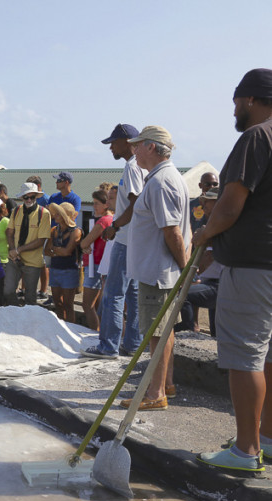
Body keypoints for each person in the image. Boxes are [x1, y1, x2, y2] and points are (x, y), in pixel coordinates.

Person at [194, 68, 272, 472]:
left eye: (237, 100)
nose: (235, 108)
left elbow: (230, 204)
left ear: (253, 100)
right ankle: (267, 438)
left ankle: (246, 451)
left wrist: (205, 233)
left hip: (253, 266)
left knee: (244, 356)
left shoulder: (257, 136)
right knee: (268, 354)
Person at [121, 125, 190, 411]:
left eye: (138, 145)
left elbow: (171, 231)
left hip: (157, 271)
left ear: (152, 147)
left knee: (155, 333)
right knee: (164, 330)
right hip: (160, 270)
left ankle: (155, 392)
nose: (133, 150)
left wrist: (185, 269)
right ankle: (166, 384)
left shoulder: (161, 182)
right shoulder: (164, 178)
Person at [82, 123, 145, 359]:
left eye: (113, 143)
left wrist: (115, 227)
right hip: (137, 241)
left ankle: (108, 345)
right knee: (133, 295)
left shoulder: (132, 166)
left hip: (126, 238)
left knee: (113, 294)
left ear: (127, 142)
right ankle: (132, 344)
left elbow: (135, 203)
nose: (110, 148)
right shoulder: (144, 166)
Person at [175, 187, 221, 335]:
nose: (204, 205)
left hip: (222, 284)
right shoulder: (210, 225)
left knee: (184, 294)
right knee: (216, 330)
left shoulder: (221, 225)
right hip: (212, 280)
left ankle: (188, 327)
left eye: (208, 202)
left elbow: (208, 259)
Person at [4, 182, 51, 306]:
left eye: (32, 197)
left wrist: (18, 250)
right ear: (22, 198)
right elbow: (9, 233)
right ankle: (18, 313)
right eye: (26, 197)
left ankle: (28, 322)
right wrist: (13, 251)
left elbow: (41, 240)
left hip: (33, 261)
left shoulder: (44, 214)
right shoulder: (16, 211)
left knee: (30, 298)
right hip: (14, 259)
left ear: (36, 197)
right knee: (8, 291)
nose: (29, 200)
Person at [79, 188, 114, 330]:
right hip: (100, 264)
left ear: (105, 204)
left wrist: (83, 246)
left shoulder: (103, 221)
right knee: (99, 306)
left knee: (88, 304)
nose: (94, 206)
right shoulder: (111, 219)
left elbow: (84, 242)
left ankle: (94, 333)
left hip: (95, 265)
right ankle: (99, 333)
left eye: (96, 203)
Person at [45, 202, 83, 322]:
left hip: (69, 270)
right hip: (55, 269)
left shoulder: (76, 231)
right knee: (57, 302)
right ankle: (62, 326)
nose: (55, 216)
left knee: (68, 304)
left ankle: (71, 328)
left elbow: (66, 252)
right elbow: (47, 250)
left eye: (58, 214)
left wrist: (55, 251)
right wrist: (59, 251)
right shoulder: (54, 230)